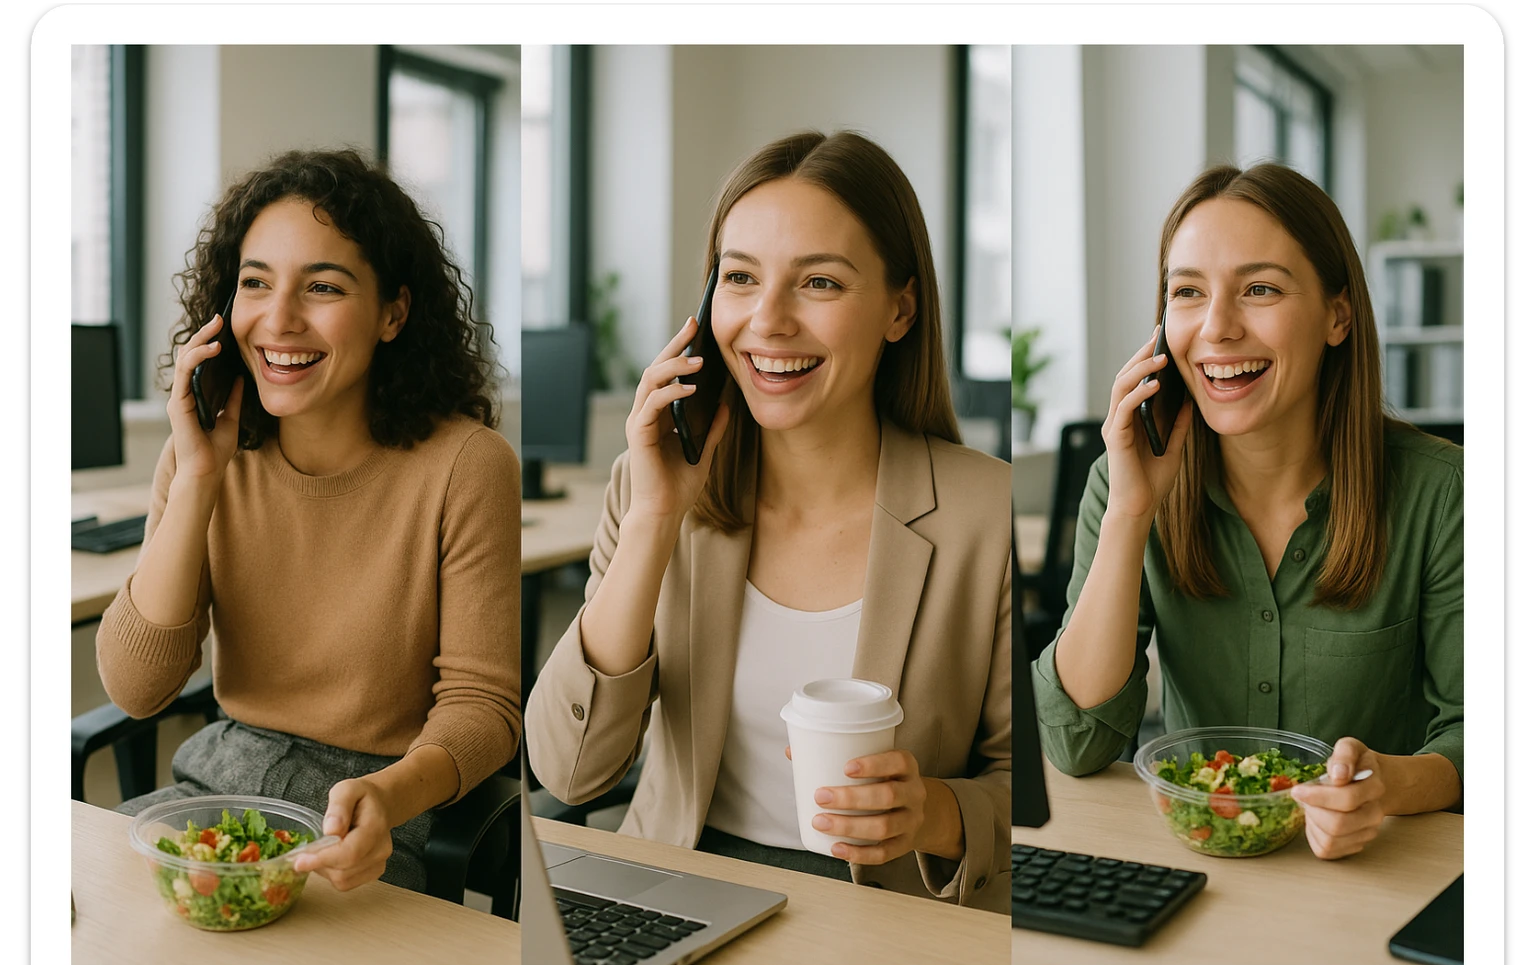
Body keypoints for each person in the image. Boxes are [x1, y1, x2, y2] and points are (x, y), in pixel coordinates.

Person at [526, 130, 1011, 911]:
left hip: (891, 921)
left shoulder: (983, 512)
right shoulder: (650, 490)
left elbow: (1037, 793)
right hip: (675, 895)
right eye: (741, 278)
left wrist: (937, 814)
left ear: (900, 308)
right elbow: (568, 771)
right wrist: (655, 516)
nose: (768, 320)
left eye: (818, 282)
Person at [96, 149, 521, 893]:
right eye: (256, 283)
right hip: (215, 793)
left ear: (394, 312)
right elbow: (137, 690)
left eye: (322, 287)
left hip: (376, 817)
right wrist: (198, 476)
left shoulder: (467, 464)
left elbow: (483, 709)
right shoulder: (202, 454)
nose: (280, 319)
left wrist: (391, 798)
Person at [1031, 162, 1463, 859]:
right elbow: (1076, 742)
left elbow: (1476, 734)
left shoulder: (1443, 494)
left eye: (1259, 289)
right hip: (1198, 864)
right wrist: (1129, 513)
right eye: (1188, 293)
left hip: (1376, 877)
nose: (1218, 327)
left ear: (1337, 315)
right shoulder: (1127, 485)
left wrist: (1388, 785)